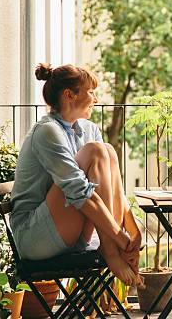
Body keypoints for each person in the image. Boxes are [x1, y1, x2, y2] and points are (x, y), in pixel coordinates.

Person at [10, 63, 142, 286]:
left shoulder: (89, 129)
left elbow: (111, 188)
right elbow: (79, 192)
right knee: (96, 151)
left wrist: (133, 234)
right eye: (91, 92)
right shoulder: (47, 131)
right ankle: (110, 252)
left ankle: (113, 249)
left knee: (107, 151)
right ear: (69, 95)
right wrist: (119, 240)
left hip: (69, 229)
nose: (96, 99)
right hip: (35, 237)